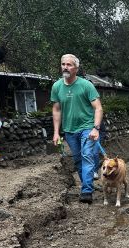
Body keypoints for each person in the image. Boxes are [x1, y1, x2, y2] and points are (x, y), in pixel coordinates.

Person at [51, 54, 103, 204]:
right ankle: (88, 185)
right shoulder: (57, 86)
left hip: (87, 127)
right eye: (63, 64)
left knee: (87, 155)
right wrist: (56, 133)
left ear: (76, 68)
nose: (65, 67)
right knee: (78, 160)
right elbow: (56, 110)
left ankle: (86, 191)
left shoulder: (86, 85)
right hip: (69, 130)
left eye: (69, 64)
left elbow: (98, 108)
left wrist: (96, 128)